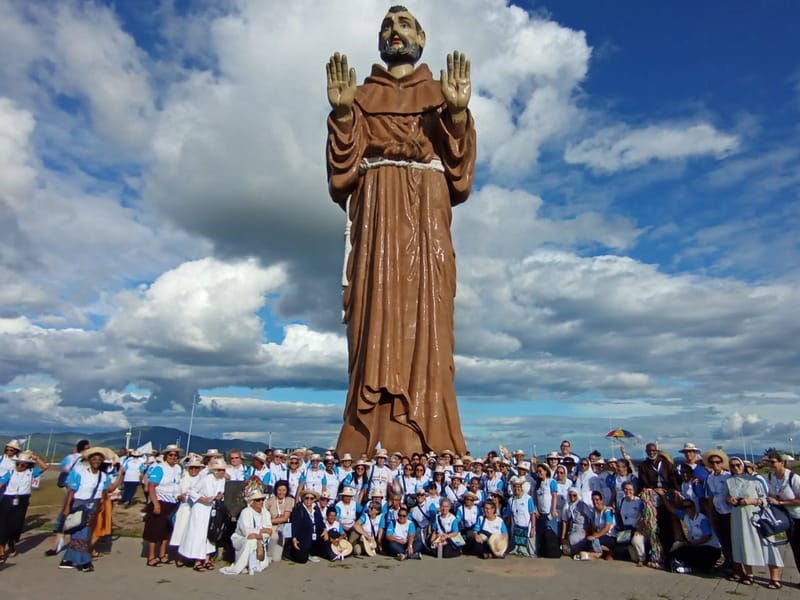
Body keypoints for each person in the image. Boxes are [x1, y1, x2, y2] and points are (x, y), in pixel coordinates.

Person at [329, 5, 476, 456]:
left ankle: (430, 431)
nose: (395, 32)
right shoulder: (359, 95)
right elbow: (341, 171)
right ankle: (366, 433)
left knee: (430, 317)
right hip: (378, 210)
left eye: (405, 24)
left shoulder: (442, 93)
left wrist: (454, 116)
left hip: (428, 212)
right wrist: (342, 116)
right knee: (375, 312)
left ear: (422, 37)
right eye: (388, 26)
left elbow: (459, 171)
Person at [725, 456, 782, 587]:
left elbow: (766, 499)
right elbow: (725, 497)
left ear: (743, 465)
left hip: (756, 514)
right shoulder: (729, 481)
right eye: (732, 466)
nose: (735, 468)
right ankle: (749, 574)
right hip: (739, 516)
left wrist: (752, 501)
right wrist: (730, 500)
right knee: (743, 543)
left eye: (737, 465)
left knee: (766, 543)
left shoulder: (755, 480)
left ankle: (775, 576)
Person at [59, 446, 112, 572]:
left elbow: (105, 491)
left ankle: (68, 559)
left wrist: (120, 474)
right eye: (94, 459)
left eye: (99, 459)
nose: (97, 461)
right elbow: (72, 491)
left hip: (93, 505)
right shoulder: (79, 473)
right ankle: (84, 561)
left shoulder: (103, 476)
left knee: (84, 532)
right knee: (80, 533)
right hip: (79, 504)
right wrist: (67, 507)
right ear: (89, 460)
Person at [178, 458, 227, 571]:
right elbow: (192, 491)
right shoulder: (205, 479)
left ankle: (207, 558)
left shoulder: (222, 480)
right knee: (198, 534)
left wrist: (219, 496)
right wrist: (202, 499)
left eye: (223, 470)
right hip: (200, 509)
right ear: (215, 471)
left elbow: (220, 492)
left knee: (210, 533)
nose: (223, 472)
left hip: (212, 509)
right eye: (220, 470)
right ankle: (197, 560)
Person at [0, 451, 48, 562]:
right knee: (3, 525)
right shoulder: (10, 472)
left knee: (16, 526)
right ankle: (1, 550)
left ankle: (11, 542)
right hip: (8, 499)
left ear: (27, 465)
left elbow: (45, 467)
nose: (20, 466)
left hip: (22, 500)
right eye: (18, 464)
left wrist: (36, 458)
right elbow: (1, 483)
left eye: (23, 464)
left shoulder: (31, 472)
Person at [45, 439, 90, 557]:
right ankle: (60, 545)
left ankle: (59, 546)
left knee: (69, 518)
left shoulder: (73, 458)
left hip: (75, 490)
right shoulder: (79, 459)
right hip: (75, 491)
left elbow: (62, 468)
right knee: (71, 518)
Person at [142, 445, 183, 567]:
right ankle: (151, 556)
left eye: (175, 455)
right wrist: (155, 503)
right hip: (160, 500)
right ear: (166, 456)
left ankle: (162, 553)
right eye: (171, 455)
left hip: (173, 502)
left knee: (167, 530)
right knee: (154, 529)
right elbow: (151, 486)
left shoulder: (178, 469)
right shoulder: (160, 468)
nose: (173, 457)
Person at [638, 442, 676, 568]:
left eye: (653, 450)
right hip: (653, 500)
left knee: (668, 527)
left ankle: (670, 555)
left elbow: (673, 478)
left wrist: (670, 491)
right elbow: (643, 481)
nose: (651, 452)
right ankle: (657, 556)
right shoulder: (643, 466)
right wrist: (654, 489)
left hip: (667, 498)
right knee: (654, 529)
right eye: (649, 450)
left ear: (657, 450)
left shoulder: (665, 463)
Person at [765, 451, 800, 586]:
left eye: (773, 462)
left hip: (797, 516)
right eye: (768, 462)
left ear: (782, 462)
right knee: (796, 548)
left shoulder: (793, 478)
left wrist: (781, 502)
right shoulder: (770, 477)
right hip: (785, 518)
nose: (770, 465)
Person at [662, 494, 721, 573]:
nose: (687, 509)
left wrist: (691, 543)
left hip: (711, 548)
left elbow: (707, 536)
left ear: (694, 507)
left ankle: (692, 569)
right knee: (677, 550)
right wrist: (663, 496)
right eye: (684, 508)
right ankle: (680, 565)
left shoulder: (702, 519)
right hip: (696, 545)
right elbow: (672, 509)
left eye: (689, 507)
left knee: (694, 552)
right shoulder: (685, 516)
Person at [219, 490, 272, 575]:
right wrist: (261, 531)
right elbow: (246, 532)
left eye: (262, 499)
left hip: (260, 539)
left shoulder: (266, 513)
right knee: (250, 541)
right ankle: (242, 565)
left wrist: (259, 534)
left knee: (253, 541)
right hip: (241, 538)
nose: (261, 502)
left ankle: (252, 564)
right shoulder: (245, 512)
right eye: (258, 500)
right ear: (252, 502)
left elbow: (269, 530)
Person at [168, 457, 205, 562]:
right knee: (181, 531)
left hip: (197, 509)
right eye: (191, 468)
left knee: (194, 532)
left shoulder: (203, 479)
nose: (194, 470)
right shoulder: (183, 479)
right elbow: (176, 492)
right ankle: (179, 556)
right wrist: (179, 496)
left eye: (196, 468)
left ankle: (193, 556)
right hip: (184, 508)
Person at [702, 448, 732, 569]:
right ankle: (728, 561)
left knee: (732, 539)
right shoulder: (709, 478)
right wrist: (711, 514)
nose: (715, 464)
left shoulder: (728, 476)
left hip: (730, 511)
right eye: (713, 462)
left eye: (718, 462)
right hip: (718, 511)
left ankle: (736, 564)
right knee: (723, 538)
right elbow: (709, 497)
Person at [290, 489, 326, 563]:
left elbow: (320, 520)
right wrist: (294, 539)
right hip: (303, 537)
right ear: (303, 498)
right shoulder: (298, 509)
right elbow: (294, 525)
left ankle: (311, 552)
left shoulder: (316, 508)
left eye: (311, 498)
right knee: (302, 559)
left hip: (315, 535)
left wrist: (325, 530)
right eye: (306, 498)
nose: (309, 500)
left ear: (314, 499)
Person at [616, 481, 646, 565]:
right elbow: (618, 514)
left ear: (634, 490)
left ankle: (642, 559)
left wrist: (639, 529)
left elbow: (643, 517)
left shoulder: (638, 501)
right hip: (626, 529)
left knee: (636, 540)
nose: (628, 491)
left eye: (630, 489)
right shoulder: (621, 501)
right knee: (634, 558)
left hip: (638, 528)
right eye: (625, 489)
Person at [505, 477, 536, 557]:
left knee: (531, 550)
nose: (516, 488)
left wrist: (533, 527)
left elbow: (532, 514)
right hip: (515, 526)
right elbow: (509, 515)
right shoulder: (510, 500)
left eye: (518, 486)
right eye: (515, 486)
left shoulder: (528, 498)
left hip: (527, 526)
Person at [266, 480, 294, 563]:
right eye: (279, 490)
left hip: (285, 526)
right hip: (273, 525)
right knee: (274, 537)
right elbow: (264, 511)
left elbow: (285, 518)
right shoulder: (271, 500)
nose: (281, 492)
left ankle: (285, 553)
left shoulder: (289, 500)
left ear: (286, 491)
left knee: (277, 559)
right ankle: (268, 555)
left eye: (283, 490)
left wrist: (271, 520)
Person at [560, 487, 593, 557]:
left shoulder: (582, 505)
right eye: (570, 495)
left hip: (581, 529)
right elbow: (564, 521)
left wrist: (588, 531)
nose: (572, 497)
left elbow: (590, 519)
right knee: (566, 543)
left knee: (572, 539)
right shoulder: (567, 506)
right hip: (572, 529)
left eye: (574, 495)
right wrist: (563, 537)